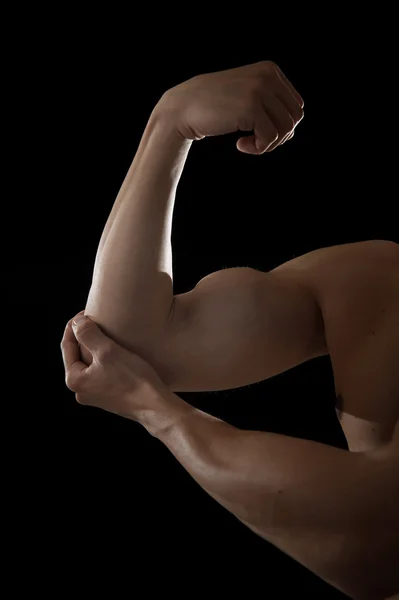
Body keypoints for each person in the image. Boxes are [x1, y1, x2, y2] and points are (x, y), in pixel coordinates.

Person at [60, 61, 399, 599]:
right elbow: (125, 339)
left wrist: (160, 413)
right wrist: (170, 124)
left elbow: (377, 540)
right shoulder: (379, 281)